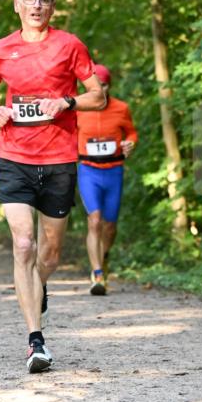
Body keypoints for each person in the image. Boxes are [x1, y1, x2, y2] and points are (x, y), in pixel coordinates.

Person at [0, 0, 105, 373]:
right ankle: (36, 341)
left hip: (60, 158)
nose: (36, 5)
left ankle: (38, 285)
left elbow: (98, 96)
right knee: (23, 245)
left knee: (50, 252)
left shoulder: (69, 45)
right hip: (13, 158)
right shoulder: (2, 49)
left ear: (53, 6)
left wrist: (68, 102)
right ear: (17, 4)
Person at [76, 63, 138, 295]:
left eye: (103, 84)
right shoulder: (78, 108)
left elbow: (131, 132)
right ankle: (98, 274)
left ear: (109, 85)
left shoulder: (121, 108)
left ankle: (104, 256)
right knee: (94, 219)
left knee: (110, 226)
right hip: (88, 169)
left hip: (114, 170)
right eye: (94, 84)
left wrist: (130, 143)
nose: (99, 89)